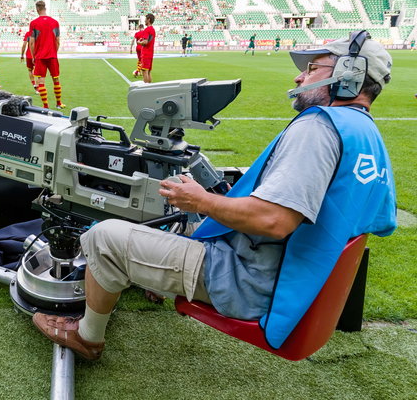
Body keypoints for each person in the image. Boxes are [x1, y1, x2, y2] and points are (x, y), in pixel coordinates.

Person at [33, 32, 396, 361]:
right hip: (296, 278)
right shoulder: (366, 135)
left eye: (313, 68)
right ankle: (146, 277)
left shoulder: (318, 127)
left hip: (250, 280)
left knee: (103, 236)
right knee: (176, 226)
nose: (299, 77)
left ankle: (87, 337)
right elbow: (379, 221)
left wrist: (201, 201)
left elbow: (274, 222)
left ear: (348, 74)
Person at [29, 0, 63, 109]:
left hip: (40, 56)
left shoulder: (33, 23)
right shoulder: (55, 22)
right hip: (52, 56)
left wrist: (33, 56)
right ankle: (58, 103)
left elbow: (32, 42)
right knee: (56, 79)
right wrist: (54, 52)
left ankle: (46, 106)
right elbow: (58, 41)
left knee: (41, 81)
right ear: (45, 8)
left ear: (37, 9)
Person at [134, 14, 156, 83]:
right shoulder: (153, 29)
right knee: (148, 72)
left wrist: (139, 42)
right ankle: (150, 89)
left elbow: (145, 42)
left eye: (145, 19)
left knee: (144, 72)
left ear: (148, 19)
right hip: (150, 53)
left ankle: (146, 89)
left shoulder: (147, 29)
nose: (144, 20)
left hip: (146, 53)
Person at [19, 27, 37, 92]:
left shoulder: (28, 33)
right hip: (37, 55)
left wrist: (22, 55)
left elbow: (24, 45)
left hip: (29, 55)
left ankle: (34, 84)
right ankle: (37, 87)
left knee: (30, 70)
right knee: (39, 71)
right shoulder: (39, 33)